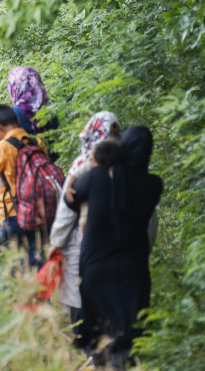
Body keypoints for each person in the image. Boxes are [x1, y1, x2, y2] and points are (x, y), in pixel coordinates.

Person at [66, 126, 163, 370]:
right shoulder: (153, 185)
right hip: (133, 271)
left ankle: (97, 364)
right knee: (128, 334)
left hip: (95, 267)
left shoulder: (97, 177)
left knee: (98, 331)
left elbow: (72, 200)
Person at [47, 111, 122, 322]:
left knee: (77, 292)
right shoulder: (127, 165)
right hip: (117, 242)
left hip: (82, 240)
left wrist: (56, 242)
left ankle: (85, 345)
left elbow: (67, 208)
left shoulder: (83, 164)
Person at [0, 105, 50, 269]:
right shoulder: (38, 143)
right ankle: (37, 292)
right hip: (39, 212)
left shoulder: (1, 147)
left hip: (13, 213)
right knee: (35, 260)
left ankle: (7, 292)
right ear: (18, 121)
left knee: (6, 262)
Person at [0, 66, 58, 163]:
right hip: (45, 171)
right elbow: (55, 152)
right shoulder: (52, 116)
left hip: (17, 173)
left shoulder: (13, 115)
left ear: (14, 88)